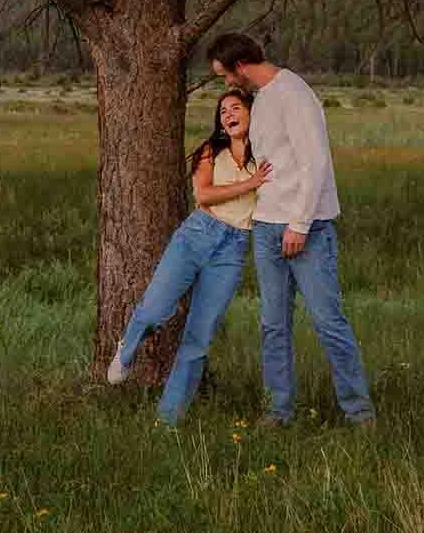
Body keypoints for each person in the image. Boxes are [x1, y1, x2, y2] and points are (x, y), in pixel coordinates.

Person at [206, 33, 375, 426]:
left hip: (306, 228)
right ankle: (278, 410)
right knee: (273, 324)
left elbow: (314, 163)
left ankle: (359, 412)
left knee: (327, 320)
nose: (227, 85)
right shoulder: (261, 98)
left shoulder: (294, 94)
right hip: (267, 227)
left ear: (240, 67)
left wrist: (298, 224)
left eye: (225, 77)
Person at [104, 89, 269, 425]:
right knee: (156, 308)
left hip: (234, 247)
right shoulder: (210, 151)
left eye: (236, 107)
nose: (228, 114)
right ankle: (127, 347)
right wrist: (251, 183)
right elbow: (204, 195)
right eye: (223, 111)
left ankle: (168, 419)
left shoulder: (265, 156)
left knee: (199, 336)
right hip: (196, 236)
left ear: (252, 114)